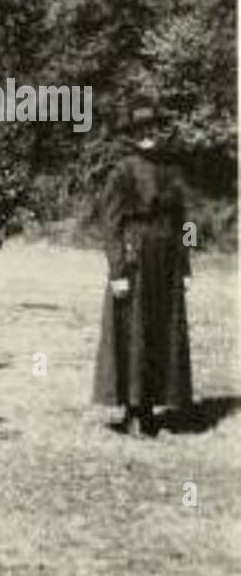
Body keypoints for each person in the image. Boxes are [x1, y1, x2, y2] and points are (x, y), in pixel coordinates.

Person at [93, 103, 193, 436]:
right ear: (133, 135)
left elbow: (185, 222)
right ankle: (134, 412)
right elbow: (110, 224)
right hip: (135, 258)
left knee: (161, 332)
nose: (148, 134)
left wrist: (185, 264)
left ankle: (155, 407)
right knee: (135, 333)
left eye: (153, 128)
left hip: (166, 261)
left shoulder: (171, 169)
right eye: (141, 129)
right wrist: (117, 271)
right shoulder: (122, 171)